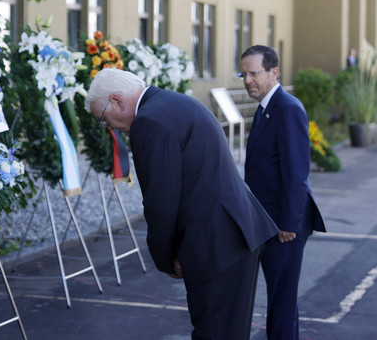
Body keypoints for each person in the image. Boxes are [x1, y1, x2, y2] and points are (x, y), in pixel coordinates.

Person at [85, 68, 279, 339]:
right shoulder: (172, 102)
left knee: (214, 333)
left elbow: (160, 202)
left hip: (216, 244)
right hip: (236, 234)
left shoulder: (148, 121)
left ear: (117, 100)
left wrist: (164, 258)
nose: (109, 127)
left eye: (103, 118)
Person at [240, 45, 326, 340]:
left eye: (254, 73)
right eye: (244, 73)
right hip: (269, 221)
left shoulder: (287, 108)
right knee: (282, 301)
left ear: (274, 72)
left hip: (284, 225)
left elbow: (296, 172)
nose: (247, 80)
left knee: (282, 302)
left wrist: (289, 224)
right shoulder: (266, 107)